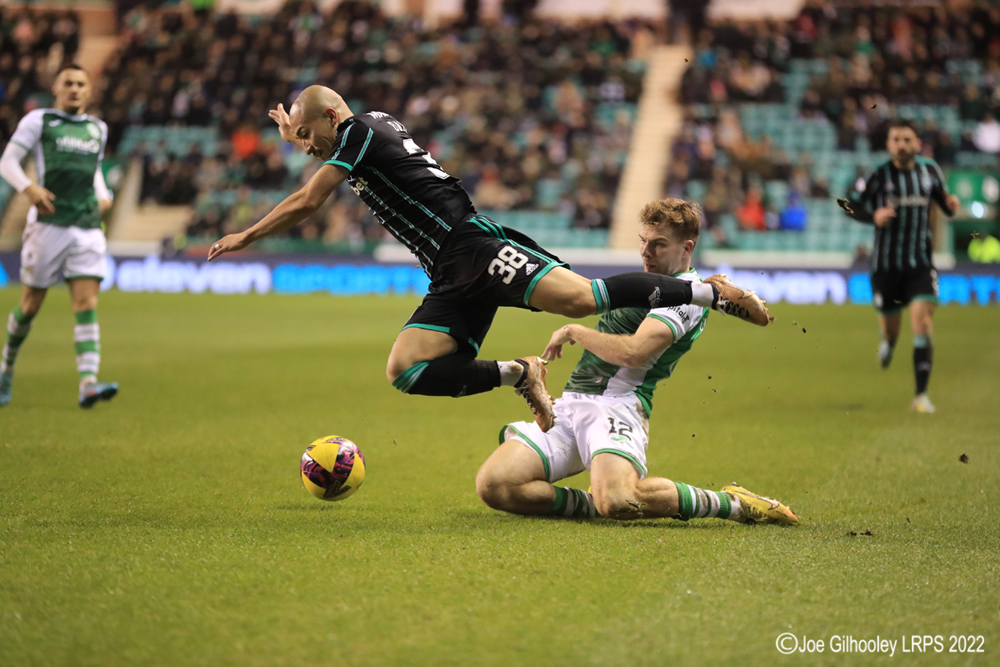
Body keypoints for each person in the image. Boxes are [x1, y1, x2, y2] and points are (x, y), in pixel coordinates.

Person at [208, 86, 771, 431]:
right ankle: (520, 373)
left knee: (582, 298)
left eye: (308, 135)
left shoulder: (356, 131)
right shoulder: (362, 126)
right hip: (448, 270)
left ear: (334, 117)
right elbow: (325, 143)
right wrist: (297, 133)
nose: (304, 147)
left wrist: (248, 235)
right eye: (299, 139)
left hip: (472, 246)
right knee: (406, 369)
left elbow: (310, 199)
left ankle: (709, 291)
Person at [476, 199, 797, 525]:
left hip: (618, 405)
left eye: (658, 245)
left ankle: (733, 505)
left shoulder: (685, 296)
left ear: (686, 248)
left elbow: (634, 352)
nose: (646, 252)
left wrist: (574, 330)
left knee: (620, 500)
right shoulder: (654, 282)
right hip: (572, 404)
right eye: (643, 242)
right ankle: (596, 500)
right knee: (495, 485)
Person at [0, 64, 117, 408]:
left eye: (81, 83)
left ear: (89, 90)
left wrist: (104, 193)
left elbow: (93, 169)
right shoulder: (39, 121)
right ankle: (6, 369)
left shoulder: (97, 128)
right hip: (48, 225)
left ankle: (88, 383)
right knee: (30, 306)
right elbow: (7, 161)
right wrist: (29, 188)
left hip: (87, 226)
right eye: (68, 83)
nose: (75, 89)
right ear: (56, 88)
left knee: (86, 303)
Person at [838, 119, 960, 414]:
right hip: (886, 268)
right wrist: (873, 216)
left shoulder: (930, 171)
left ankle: (920, 396)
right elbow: (849, 203)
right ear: (889, 144)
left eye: (907, 139)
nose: (902, 145)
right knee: (893, 330)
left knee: (923, 324)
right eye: (896, 139)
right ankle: (889, 342)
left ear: (917, 143)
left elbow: (944, 204)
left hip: (920, 264)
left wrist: (951, 205)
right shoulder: (879, 175)